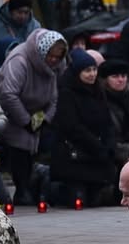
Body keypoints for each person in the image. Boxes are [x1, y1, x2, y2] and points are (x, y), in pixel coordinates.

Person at [0, 29, 68, 205]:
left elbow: (55, 97)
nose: (54, 61)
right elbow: (8, 94)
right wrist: (26, 121)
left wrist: (45, 119)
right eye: (51, 56)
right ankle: (22, 190)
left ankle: (29, 188)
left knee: (34, 144)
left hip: (35, 109)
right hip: (6, 110)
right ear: (42, 51)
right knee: (20, 145)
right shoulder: (19, 61)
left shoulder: (55, 66)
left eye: (58, 57)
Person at [49, 49, 117, 206]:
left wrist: (108, 145)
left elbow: (107, 122)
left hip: (97, 156)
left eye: (94, 69)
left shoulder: (98, 91)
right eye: (87, 70)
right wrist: (97, 145)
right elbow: (72, 127)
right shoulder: (67, 93)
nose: (92, 74)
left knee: (98, 200)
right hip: (75, 158)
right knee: (77, 200)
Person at [100, 60, 129, 170]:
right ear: (105, 79)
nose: (121, 80)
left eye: (123, 76)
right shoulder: (99, 101)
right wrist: (126, 151)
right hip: (108, 159)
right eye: (115, 76)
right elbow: (103, 135)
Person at [0, 0, 40, 65]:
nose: (23, 16)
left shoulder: (34, 26)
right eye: (19, 12)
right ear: (11, 11)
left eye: (26, 13)